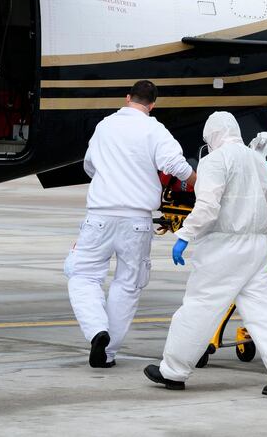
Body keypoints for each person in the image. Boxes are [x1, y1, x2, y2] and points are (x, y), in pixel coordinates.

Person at [144, 112, 267, 396]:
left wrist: (184, 235)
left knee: (199, 307)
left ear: (213, 136)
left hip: (224, 247)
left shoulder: (213, 161)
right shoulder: (259, 161)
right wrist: (259, 232)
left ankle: (173, 370)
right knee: (266, 314)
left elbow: (207, 207)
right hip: (258, 246)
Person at [65, 80, 196, 369]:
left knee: (82, 275)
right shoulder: (155, 130)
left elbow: (89, 165)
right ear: (153, 104)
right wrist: (201, 187)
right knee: (128, 284)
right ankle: (108, 351)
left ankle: (97, 331)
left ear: (127, 98)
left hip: (100, 215)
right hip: (137, 220)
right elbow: (178, 167)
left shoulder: (105, 126)